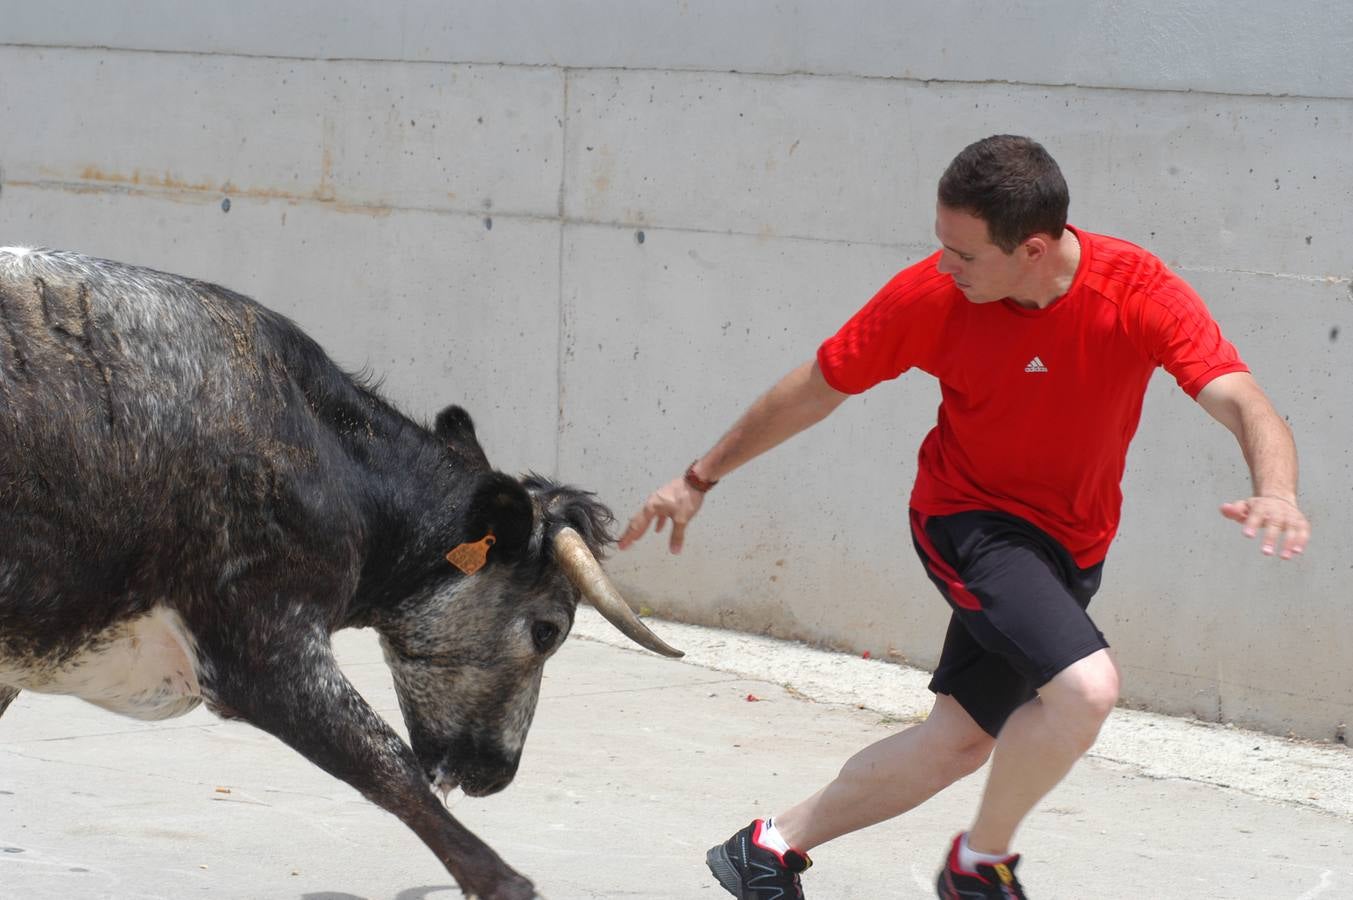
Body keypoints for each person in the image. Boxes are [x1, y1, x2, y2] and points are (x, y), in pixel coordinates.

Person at [617, 134, 1310, 899]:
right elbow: (817, 385)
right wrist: (697, 478)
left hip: (1072, 542)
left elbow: (1242, 399)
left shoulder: (1134, 292)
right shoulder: (931, 297)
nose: (944, 265)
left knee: (955, 742)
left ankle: (766, 848)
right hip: (969, 521)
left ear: (1034, 250)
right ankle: (979, 869)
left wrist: (1273, 490)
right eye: (941, 246)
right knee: (1084, 690)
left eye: (964, 253)